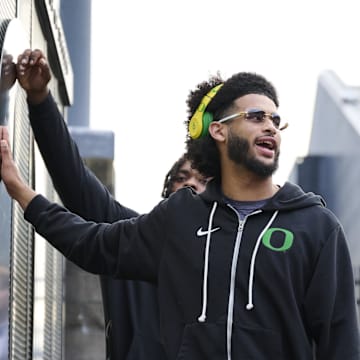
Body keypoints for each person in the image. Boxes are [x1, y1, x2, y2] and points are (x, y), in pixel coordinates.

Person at [1, 71, 360, 360]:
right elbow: (90, 235)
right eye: (255, 116)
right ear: (218, 130)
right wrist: (23, 193)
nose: (269, 125)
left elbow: (340, 341)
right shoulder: (176, 222)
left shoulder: (317, 227)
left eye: (275, 119)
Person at [12, 49, 208, 360]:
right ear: (169, 191)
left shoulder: (238, 256)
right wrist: (40, 100)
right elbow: (75, 181)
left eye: (203, 180)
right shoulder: (132, 238)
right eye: (182, 178)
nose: (191, 184)